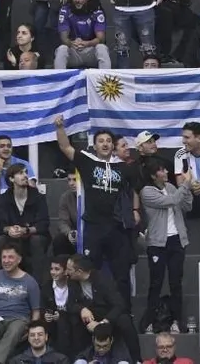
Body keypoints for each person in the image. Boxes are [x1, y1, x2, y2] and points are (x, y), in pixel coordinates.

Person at [54, 124, 135, 308]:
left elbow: (134, 190)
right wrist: (59, 128)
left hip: (117, 227)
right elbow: (65, 147)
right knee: (89, 271)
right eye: (101, 141)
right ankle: (91, 310)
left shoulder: (123, 167)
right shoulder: (88, 161)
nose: (105, 144)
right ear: (95, 145)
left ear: (113, 146)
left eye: (108, 141)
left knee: (121, 274)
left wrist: (135, 211)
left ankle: (125, 312)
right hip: (94, 227)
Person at [139, 157, 192, 335]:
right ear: (153, 175)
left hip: (177, 240)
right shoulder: (147, 191)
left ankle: (177, 321)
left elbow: (187, 206)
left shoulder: (170, 187)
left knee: (176, 283)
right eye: (162, 170)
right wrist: (185, 185)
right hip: (157, 243)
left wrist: (186, 189)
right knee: (156, 283)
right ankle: (149, 321)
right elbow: (171, 201)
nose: (166, 172)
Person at [66, 255, 141, 363]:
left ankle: (136, 360)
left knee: (125, 321)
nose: (66, 272)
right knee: (73, 319)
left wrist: (103, 323)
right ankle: (80, 359)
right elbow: (70, 304)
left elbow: (119, 304)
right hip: (89, 316)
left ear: (79, 271)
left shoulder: (103, 280)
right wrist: (82, 309)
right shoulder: (72, 281)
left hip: (107, 315)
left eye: (69, 269)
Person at [0, 245, 41, 364]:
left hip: (18, 319)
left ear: (19, 259)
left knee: (15, 329)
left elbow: (36, 311)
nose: (6, 261)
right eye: (4, 257)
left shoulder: (30, 282)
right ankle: (0, 361)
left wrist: (33, 328)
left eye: (11, 257)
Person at [0, 164, 50, 276]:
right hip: (12, 237)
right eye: (21, 173)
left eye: (26, 172)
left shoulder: (38, 197)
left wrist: (26, 230)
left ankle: (37, 282)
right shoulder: (3, 199)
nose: (25, 176)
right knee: (1, 239)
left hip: (32, 236)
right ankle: (3, 279)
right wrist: (9, 229)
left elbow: (44, 223)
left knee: (36, 240)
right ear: (11, 179)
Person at [0, 135, 35, 199]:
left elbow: (33, 190)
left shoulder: (24, 164)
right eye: (2, 146)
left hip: (20, 201)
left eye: (9, 146)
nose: (6, 149)